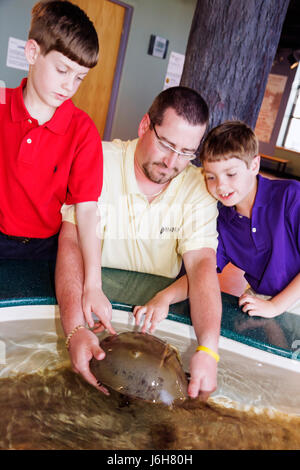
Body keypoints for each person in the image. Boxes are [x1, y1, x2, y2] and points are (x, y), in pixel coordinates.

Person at [56, 86, 222, 401]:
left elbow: (202, 265)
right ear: (145, 125)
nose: (173, 162)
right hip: (93, 311)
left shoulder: (196, 187)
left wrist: (208, 349)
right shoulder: (99, 159)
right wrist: (75, 329)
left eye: (187, 152)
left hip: (152, 329)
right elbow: (71, 242)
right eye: (167, 144)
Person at [0, 1, 105, 320]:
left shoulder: (83, 131)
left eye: (79, 78)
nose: (69, 86)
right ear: (32, 53)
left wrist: (93, 285)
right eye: (62, 71)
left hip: (48, 251)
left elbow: (86, 212)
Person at [200, 120, 300, 318]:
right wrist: (164, 297)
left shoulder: (291, 196)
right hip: (261, 298)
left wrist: (275, 307)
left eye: (230, 174)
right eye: (211, 177)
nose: (221, 186)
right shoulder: (223, 224)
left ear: (254, 165)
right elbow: (202, 270)